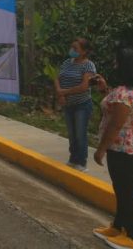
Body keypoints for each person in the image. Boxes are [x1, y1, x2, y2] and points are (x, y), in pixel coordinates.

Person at [91, 48, 133, 248]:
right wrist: (104, 89)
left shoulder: (124, 93)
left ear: (125, 67)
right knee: (122, 190)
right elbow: (118, 106)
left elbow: (115, 125)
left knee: (127, 193)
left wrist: (101, 149)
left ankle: (132, 237)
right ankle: (118, 227)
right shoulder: (132, 90)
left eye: (117, 62)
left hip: (125, 149)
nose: (114, 65)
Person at [54, 38, 96, 171]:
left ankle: (81, 162)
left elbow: (84, 86)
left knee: (80, 134)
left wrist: (65, 92)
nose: (72, 50)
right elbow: (57, 78)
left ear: (84, 52)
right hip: (68, 105)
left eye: (76, 48)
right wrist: (60, 94)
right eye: (72, 47)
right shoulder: (67, 62)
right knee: (71, 134)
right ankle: (73, 158)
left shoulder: (88, 66)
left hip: (81, 104)